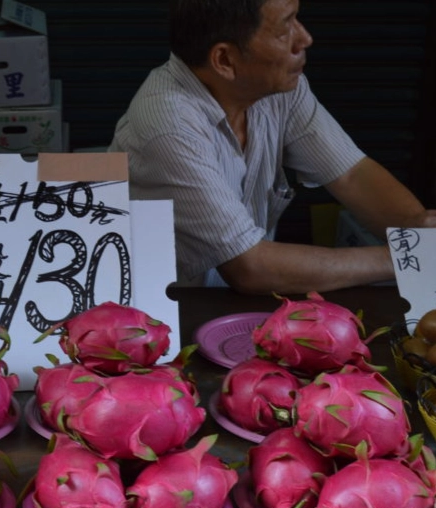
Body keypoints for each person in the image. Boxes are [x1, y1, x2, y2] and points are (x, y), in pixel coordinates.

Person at [108, 0, 436, 294]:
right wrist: (405, 257)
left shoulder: (278, 89)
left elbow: (351, 174)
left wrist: (420, 227)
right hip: (163, 319)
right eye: (284, 30)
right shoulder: (168, 123)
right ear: (224, 59)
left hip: (236, 307)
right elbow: (249, 267)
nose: (304, 38)